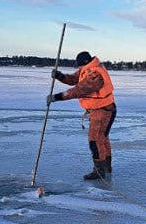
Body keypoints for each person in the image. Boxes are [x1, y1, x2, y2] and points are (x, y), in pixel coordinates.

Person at [47, 51, 117, 179]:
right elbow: (74, 79)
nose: (79, 68)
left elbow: (80, 89)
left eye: (79, 66)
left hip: (103, 110)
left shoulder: (95, 74)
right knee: (101, 138)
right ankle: (106, 167)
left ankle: (100, 170)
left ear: (84, 62)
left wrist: (58, 97)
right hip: (100, 109)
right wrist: (60, 76)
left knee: (95, 140)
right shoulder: (88, 68)